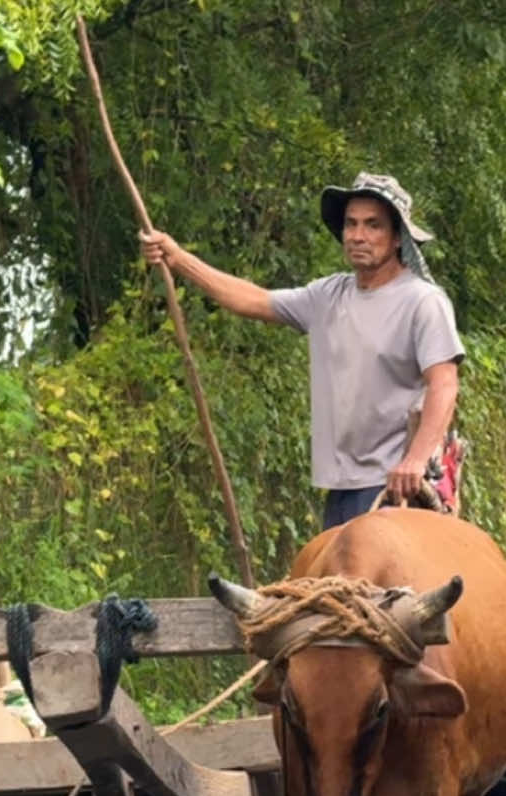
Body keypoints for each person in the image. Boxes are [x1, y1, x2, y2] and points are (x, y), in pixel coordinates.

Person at [140, 171, 464, 529]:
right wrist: (178, 259)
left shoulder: (421, 301)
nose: (358, 235)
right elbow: (252, 299)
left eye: (373, 225)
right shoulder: (327, 296)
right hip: (340, 487)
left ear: (397, 237)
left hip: (393, 487)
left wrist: (415, 461)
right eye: (351, 224)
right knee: (336, 585)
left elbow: (444, 384)